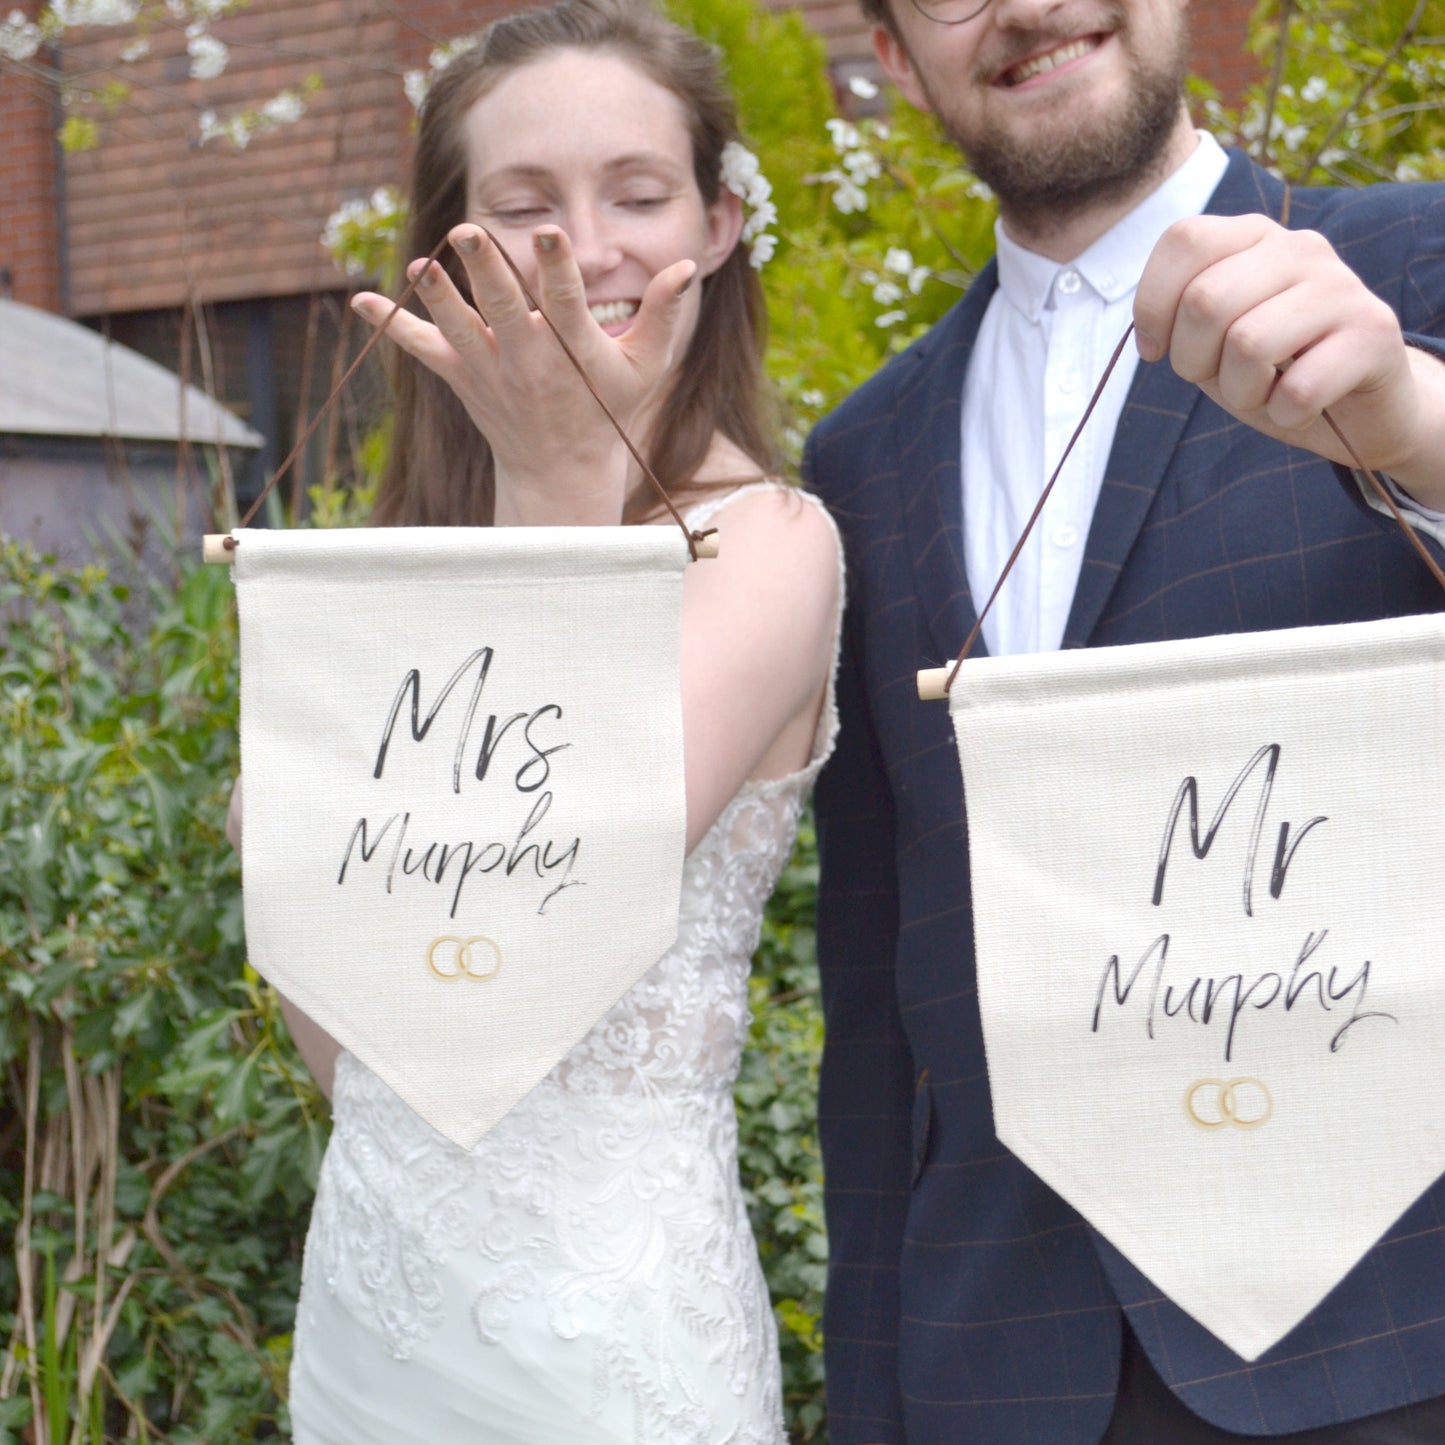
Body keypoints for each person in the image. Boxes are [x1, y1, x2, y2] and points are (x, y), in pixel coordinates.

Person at [802, 1, 1445, 1442]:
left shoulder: (1409, 261)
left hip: (1392, 1339)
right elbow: (879, 999)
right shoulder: (859, 453)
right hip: (999, 1369)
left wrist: (1410, 418)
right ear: (896, 57)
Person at [224, 2, 841, 1438]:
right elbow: (355, 1044)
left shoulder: (765, 544)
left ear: (722, 221)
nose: (583, 248)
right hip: (375, 1316)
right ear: (446, 257)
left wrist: (562, 480)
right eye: (522, 206)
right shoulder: (372, 579)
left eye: (635, 194)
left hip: (604, 1333)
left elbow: (532, 904)